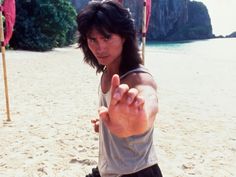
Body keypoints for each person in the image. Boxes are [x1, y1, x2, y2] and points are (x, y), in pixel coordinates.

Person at [77, 1, 162, 177]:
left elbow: (149, 102)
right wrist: (107, 125)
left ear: (124, 37)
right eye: (93, 39)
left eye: (107, 38)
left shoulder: (139, 78)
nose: (99, 48)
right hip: (107, 170)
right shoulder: (107, 73)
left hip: (138, 172)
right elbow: (119, 119)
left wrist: (137, 122)